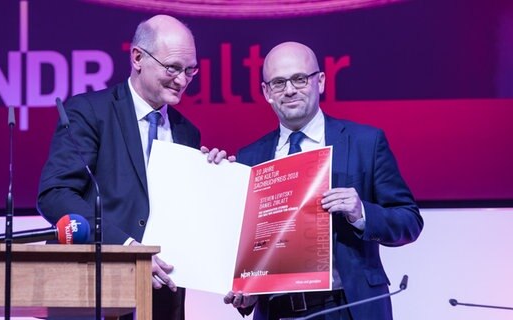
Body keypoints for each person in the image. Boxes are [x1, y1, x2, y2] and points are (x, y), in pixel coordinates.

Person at [37, 15, 227, 320]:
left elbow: (186, 219)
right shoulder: (90, 112)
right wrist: (127, 248)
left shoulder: (188, 133)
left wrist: (215, 180)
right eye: (172, 68)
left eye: (190, 70)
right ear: (137, 57)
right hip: (95, 293)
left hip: (164, 300)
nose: (182, 80)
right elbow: (55, 194)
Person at [223, 42, 424, 320]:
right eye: (279, 83)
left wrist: (361, 213)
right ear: (266, 92)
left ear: (321, 82)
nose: (290, 90)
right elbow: (244, 249)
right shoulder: (249, 158)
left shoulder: (366, 142)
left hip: (347, 308)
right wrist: (245, 290)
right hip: (277, 313)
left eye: (299, 79)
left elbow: (409, 222)